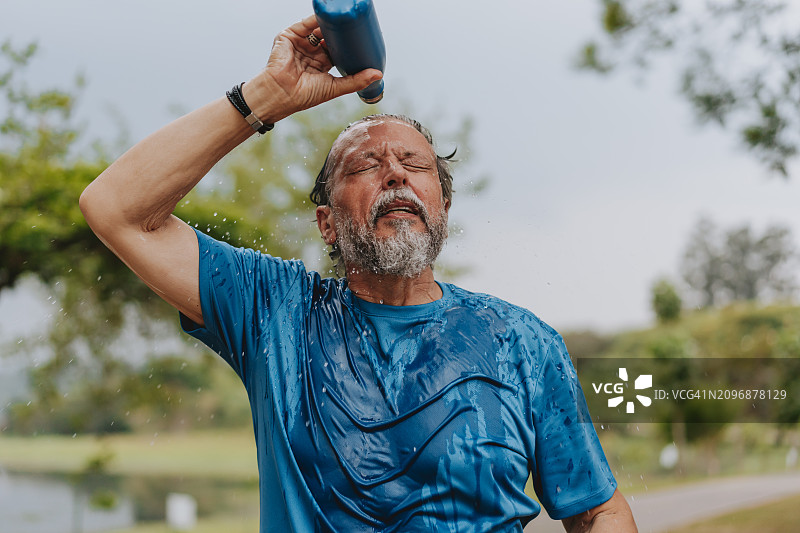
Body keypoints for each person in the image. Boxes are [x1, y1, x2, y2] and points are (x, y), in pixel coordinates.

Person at [80, 14, 637, 533]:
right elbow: (115, 208)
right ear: (327, 223)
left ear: (441, 207)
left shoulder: (524, 341)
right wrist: (265, 99)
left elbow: (596, 509)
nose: (395, 173)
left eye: (415, 165)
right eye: (366, 166)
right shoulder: (275, 311)